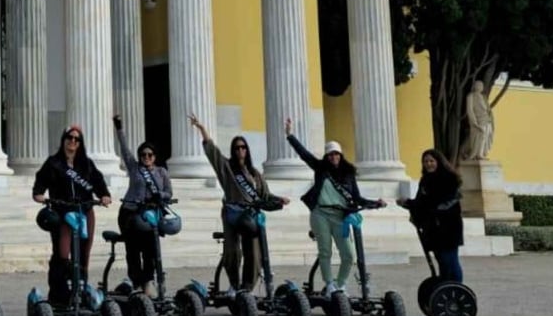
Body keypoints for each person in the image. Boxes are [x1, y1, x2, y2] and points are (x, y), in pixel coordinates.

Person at [283, 117, 388, 297]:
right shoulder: (320, 168)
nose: (333, 157)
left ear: (341, 155)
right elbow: (304, 154)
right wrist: (290, 135)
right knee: (325, 251)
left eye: (336, 154)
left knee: (349, 254)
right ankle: (329, 284)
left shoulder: (348, 173)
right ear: (326, 156)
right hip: (320, 214)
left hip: (341, 217)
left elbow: (357, 198)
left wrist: (376, 204)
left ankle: (340, 284)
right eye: (330, 154)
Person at [188, 113, 285, 293]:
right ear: (233, 150)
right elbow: (213, 152)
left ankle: (247, 288)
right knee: (232, 252)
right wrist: (201, 129)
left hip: (251, 216)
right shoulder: (227, 167)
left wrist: (280, 199)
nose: (240, 150)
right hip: (232, 214)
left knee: (254, 253)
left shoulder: (255, 173)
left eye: (243, 147)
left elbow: (265, 195)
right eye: (237, 148)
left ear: (247, 150)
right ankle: (233, 284)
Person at [31, 125, 112, 305]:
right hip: (63, 212)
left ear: (80, 143)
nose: (72, 141)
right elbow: (40, 181)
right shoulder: (53, 163)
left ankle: (80, 290)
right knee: (62, 254)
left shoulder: (86, 164)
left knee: (83, 253)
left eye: (77, 139)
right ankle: (59, 293)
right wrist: (38, 194)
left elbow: (98, 182)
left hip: (85, 211)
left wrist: (104, 195)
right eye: (69, 137)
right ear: (64, 140)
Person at [111, 112, 173, 295]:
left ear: (155, 157)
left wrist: (159, 195)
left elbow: (169, 193)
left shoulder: (161, 172)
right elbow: (124, 149)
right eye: (143, 154)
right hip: (130, 212)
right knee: (132, 249)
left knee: (150, 249)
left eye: (149, 154)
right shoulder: (134, 167)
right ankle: (136, 281)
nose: (146, 157)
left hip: (151, 214)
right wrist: (119, 128)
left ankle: (148, 280)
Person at [399, 149, 465, 282]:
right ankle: (445, 285)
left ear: (439, 162)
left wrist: (412, 204)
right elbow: (421, 202)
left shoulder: (449, 179)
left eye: (431, 161)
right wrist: (407, 203)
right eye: (426, 161)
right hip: (433, 228)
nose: (428, 164)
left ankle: (456, 287)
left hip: (448, 227)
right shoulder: (425, 180)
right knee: (441, 261)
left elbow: (438, 203)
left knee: (450, 261)